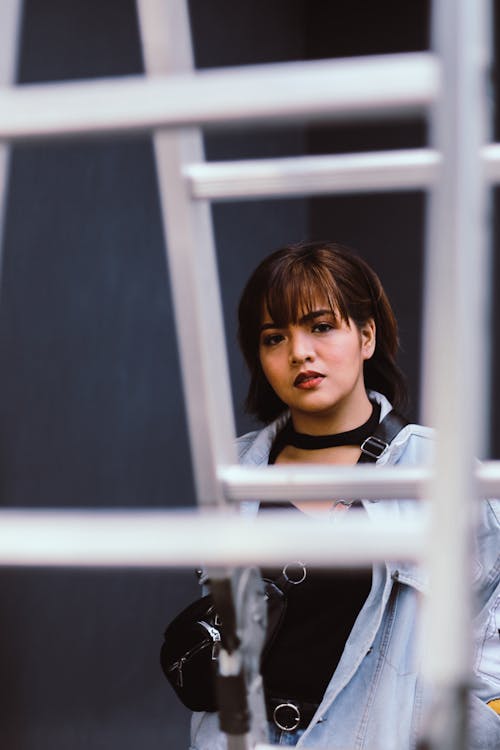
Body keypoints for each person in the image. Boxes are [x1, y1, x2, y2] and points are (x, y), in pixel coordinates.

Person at [190, 241, 500, 750]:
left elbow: (491, 631)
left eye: (321, 326)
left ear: (367, 335)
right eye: (274, 338)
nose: (300, 352)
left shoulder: (436, 471)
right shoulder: (234, 474)